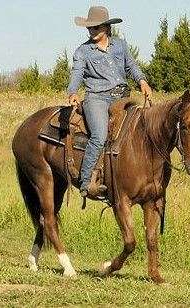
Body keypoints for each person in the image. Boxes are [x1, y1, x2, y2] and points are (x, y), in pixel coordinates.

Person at [67, 6, 152, 198]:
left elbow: (131, 66)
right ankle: (86, 180)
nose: (91, 31)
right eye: (89, 28)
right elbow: (77, 74)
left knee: (140, 131)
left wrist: (142, 81)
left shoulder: (120, 45)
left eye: (95, 27)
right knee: (98, 135)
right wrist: (72, 92)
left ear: (106, 27)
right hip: (97, 98)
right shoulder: (83, 51)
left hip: (122, 97)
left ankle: (132, 177)